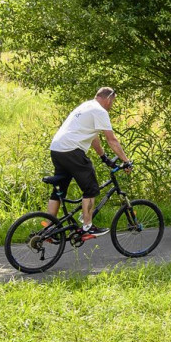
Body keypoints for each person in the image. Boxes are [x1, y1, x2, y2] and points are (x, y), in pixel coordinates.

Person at [47, 87, 132, 240]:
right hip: (72, 150)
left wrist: (104, 157)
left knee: (59, 190)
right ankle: (87, 227)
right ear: (108, 99)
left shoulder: (86, 106)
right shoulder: (100, 111)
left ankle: (48, 229)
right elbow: (111, 140)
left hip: (57, 149)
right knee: (91, 188)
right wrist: (126, 161)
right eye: (112, 102)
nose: (112, 105)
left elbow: (94, 137)